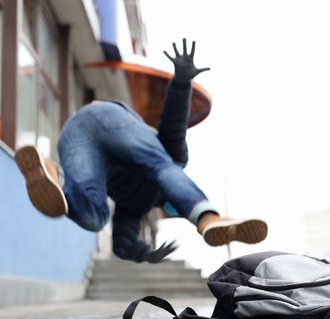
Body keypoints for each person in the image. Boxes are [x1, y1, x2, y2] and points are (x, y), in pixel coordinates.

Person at [15, 39, 267, 263]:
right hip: (110, 118)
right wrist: (180, 84)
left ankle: (53, 176)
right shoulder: (173, 159)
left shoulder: (132, 209)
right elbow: (172, 125)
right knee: (166, 166)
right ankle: (207, 217)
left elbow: (122, 243)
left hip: (75, 134)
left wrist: (145, 254)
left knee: (95, 217)